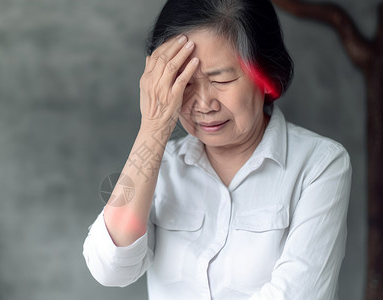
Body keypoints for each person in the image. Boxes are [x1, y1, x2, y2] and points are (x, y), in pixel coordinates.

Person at [83, 0, 352, 299]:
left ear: (265, 74)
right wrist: (153, 127)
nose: (204, 104)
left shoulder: (319, 164)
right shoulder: (163, 167)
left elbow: (299, 293)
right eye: (182, 83)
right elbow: (110, 268)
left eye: (221, 79)